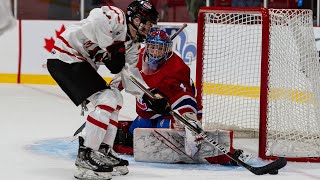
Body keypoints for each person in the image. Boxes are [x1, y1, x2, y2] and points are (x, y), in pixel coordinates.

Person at [46, 1, 159, 179]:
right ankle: (87, 154)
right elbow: (97, 17)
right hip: (64, 57)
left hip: (80, 63)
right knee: (107, 98)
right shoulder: (117, 17)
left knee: (115, 98)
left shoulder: (131, 46)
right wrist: (113, 46)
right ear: (136, 20)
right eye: (148, 23)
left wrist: (150, 97)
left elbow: (131, 77)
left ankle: (103, 150)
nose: (149, 28)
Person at [114, 28, 203, 157]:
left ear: (167, 50)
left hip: (173, 112)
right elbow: (124, 75)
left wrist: (185, 119)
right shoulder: (137, 58)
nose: (155, 52)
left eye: (160, 48)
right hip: (150, 114)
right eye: (153, 47)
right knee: (136, 130)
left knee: (170, 126)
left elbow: (186, 97)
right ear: (147, 46)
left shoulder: (176, 69)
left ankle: (191, 127)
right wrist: (115, 85)